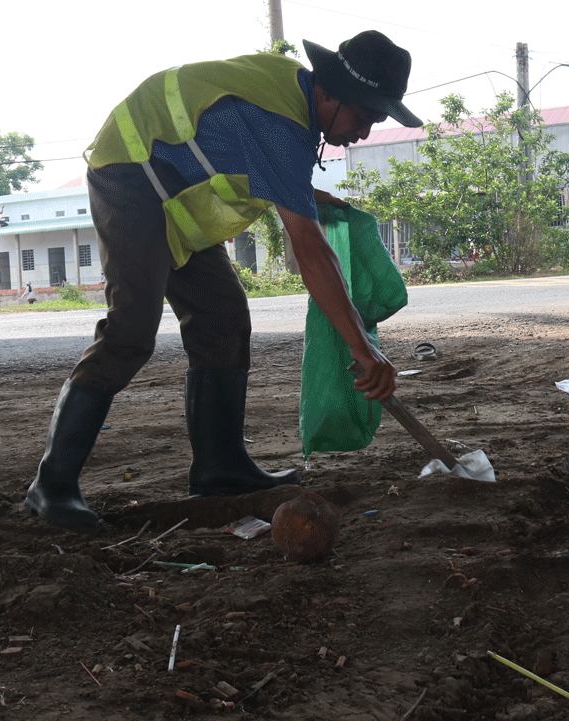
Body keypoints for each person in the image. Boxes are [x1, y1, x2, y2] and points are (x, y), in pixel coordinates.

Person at [24, 31, 423, 531]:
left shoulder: (292, 97)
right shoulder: (283, 124)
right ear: (329, 94)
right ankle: (52, 485)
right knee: (131, 331)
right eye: (364, 116)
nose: (364, 132)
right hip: (129, 173)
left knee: (223, 319)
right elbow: (310, 250)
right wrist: (362, 347)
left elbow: (251, 161)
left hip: (171, 188)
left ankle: (220, 469)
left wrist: (306, 194)